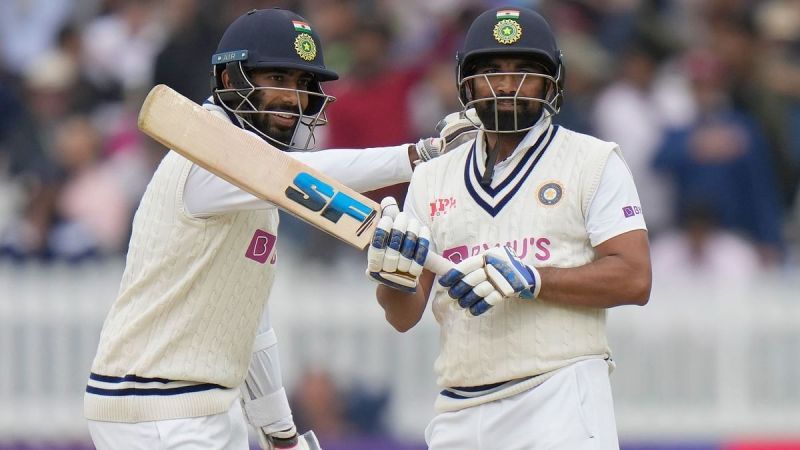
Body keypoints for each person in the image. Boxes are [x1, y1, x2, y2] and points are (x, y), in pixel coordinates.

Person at [84, 8, 466, 450]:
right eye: (278, 79)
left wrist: (279, 431)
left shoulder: (258, 187)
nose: (292, 98)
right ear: (230, 80)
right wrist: (418, 154)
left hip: (209, 405)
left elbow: (249, 321)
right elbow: (301, 176)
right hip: (154, 405)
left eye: (302, 85)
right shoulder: (203, 156)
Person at [366, 7, 651, 449]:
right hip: (459, 408)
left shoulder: (593, 161)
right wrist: (392, 275)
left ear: (551, 82)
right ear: (467, 81)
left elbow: (635, 278)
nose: (505, 85)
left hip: (560, 393)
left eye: (524, 71)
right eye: (492, 71)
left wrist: (535, 278)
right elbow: (403, 316)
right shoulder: (432, 177)